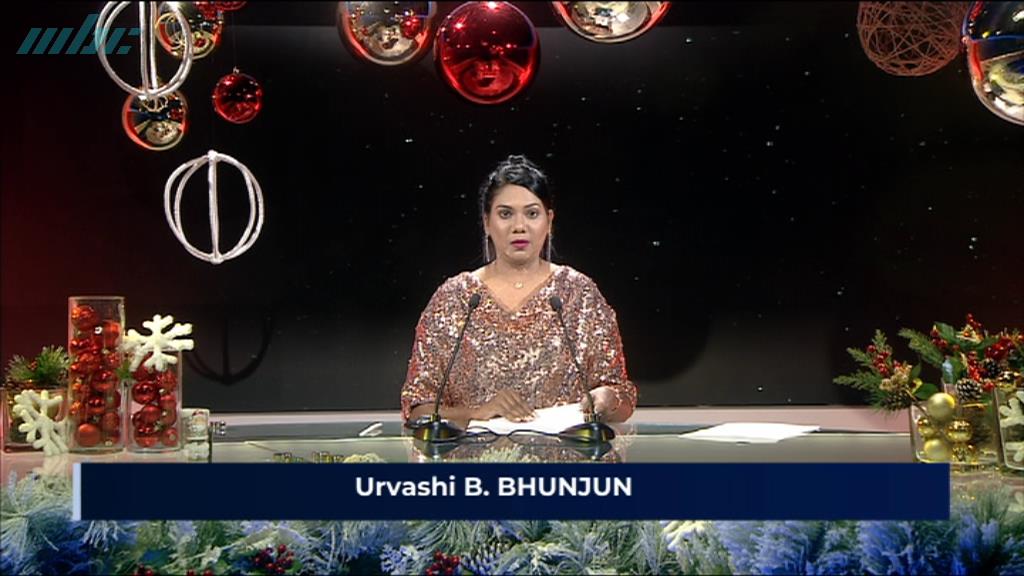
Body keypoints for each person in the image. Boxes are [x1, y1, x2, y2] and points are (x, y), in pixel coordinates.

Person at [401, 155, 636, 427]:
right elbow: (417, 409)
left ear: (549, 221)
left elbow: (622, 396)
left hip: (565, 454)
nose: (519, 226)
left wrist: (607, 398)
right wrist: (475, 413)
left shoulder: (579, 294)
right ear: (486, 222)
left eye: (532, 213)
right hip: (472, 453)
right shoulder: (455, 299)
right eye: (505, 214)